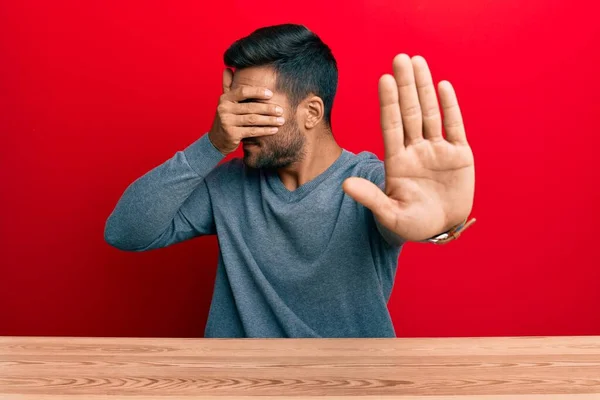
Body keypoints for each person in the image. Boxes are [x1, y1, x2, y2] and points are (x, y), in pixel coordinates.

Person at [104, 23, 476, 338]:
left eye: (253, 105)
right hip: (240, 387)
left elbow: (410, 215)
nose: (236, 120)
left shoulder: (371, 183)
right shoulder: (228, 184)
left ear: (311, 112)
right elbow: (125, 231)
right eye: (233, 104)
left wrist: (443, 226)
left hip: (351, 385)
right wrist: (212, 145)